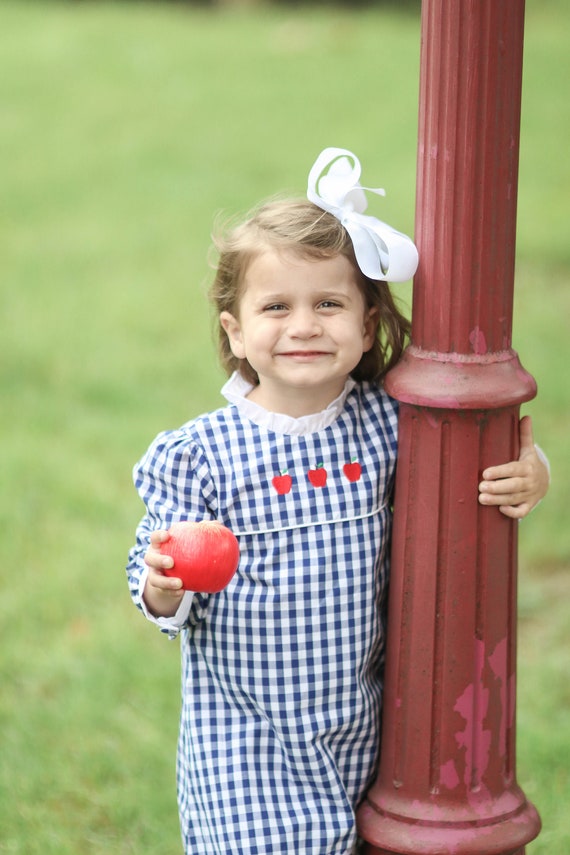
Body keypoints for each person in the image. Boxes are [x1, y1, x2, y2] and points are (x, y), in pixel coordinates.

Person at [126, 148, 550, 855]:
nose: (304, 325)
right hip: (250, 749)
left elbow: (477, 471)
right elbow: (154, 578)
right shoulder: (199, 454)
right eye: (275, 306)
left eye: (329, 304)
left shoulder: (393, 422)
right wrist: (162, 580)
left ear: (366, 321)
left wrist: (530, 469)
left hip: (369, 731)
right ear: (234, 330)